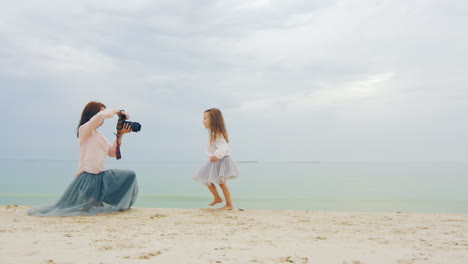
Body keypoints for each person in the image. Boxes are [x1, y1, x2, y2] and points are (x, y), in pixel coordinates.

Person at [27, 101, 139, 216]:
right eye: (102, 112)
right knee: (89, 208)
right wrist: (118, 111)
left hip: (102, 176)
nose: (104, 116)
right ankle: (93, 201)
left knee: (130, 175)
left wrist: (120, 135)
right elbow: (100, 116)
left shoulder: (99, 136)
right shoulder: (84, 130)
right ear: (92, 115)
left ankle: (102, 202)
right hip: (88, 177)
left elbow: (112, 153)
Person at [193, 108, 239, 210]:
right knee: (209, 180)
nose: (203, 121)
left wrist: (216, 155)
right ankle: (218, 198)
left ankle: (229, 204)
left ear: (213, 120)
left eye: (205, 118)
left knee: (219, 182)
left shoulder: (217, 133)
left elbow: (224, 147)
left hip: (220, 160)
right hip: (216, 160)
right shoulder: (213, 133)